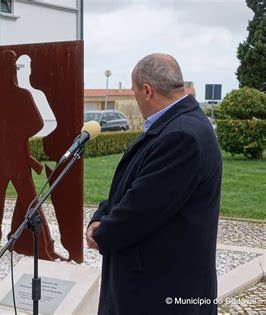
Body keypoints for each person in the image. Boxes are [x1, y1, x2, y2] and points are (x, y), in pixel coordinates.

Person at [86, 53, 222, 314]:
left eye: (134, 92)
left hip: (162, 291)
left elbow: (143, 208)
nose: (135, 98)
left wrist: (102, 234)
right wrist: (100, 214)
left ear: (147, 91)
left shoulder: (182, 135)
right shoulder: (175, 124)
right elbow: (131, 184)